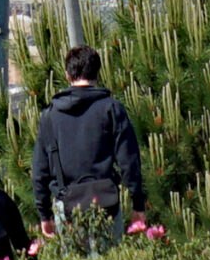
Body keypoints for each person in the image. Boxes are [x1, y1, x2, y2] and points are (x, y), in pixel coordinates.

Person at [30, 44, 146, 245]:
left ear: (67, 75)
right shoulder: (111, 108)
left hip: (66, 205)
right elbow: (129, 161)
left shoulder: (49, 116)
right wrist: (138, 204)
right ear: (98, 72)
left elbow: (39, 169)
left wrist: (44, 214)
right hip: (105, 201)